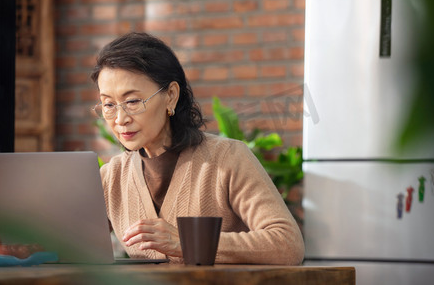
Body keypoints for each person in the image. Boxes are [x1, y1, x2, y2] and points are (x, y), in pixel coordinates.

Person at [91, 32, 304, 265]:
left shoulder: (228, 158)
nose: (120, 119)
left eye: (132, 101)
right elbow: (67, 246)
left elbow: (287, 244)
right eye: (109, 104)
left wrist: (188, 242)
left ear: (171, 96)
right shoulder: (111, 177)